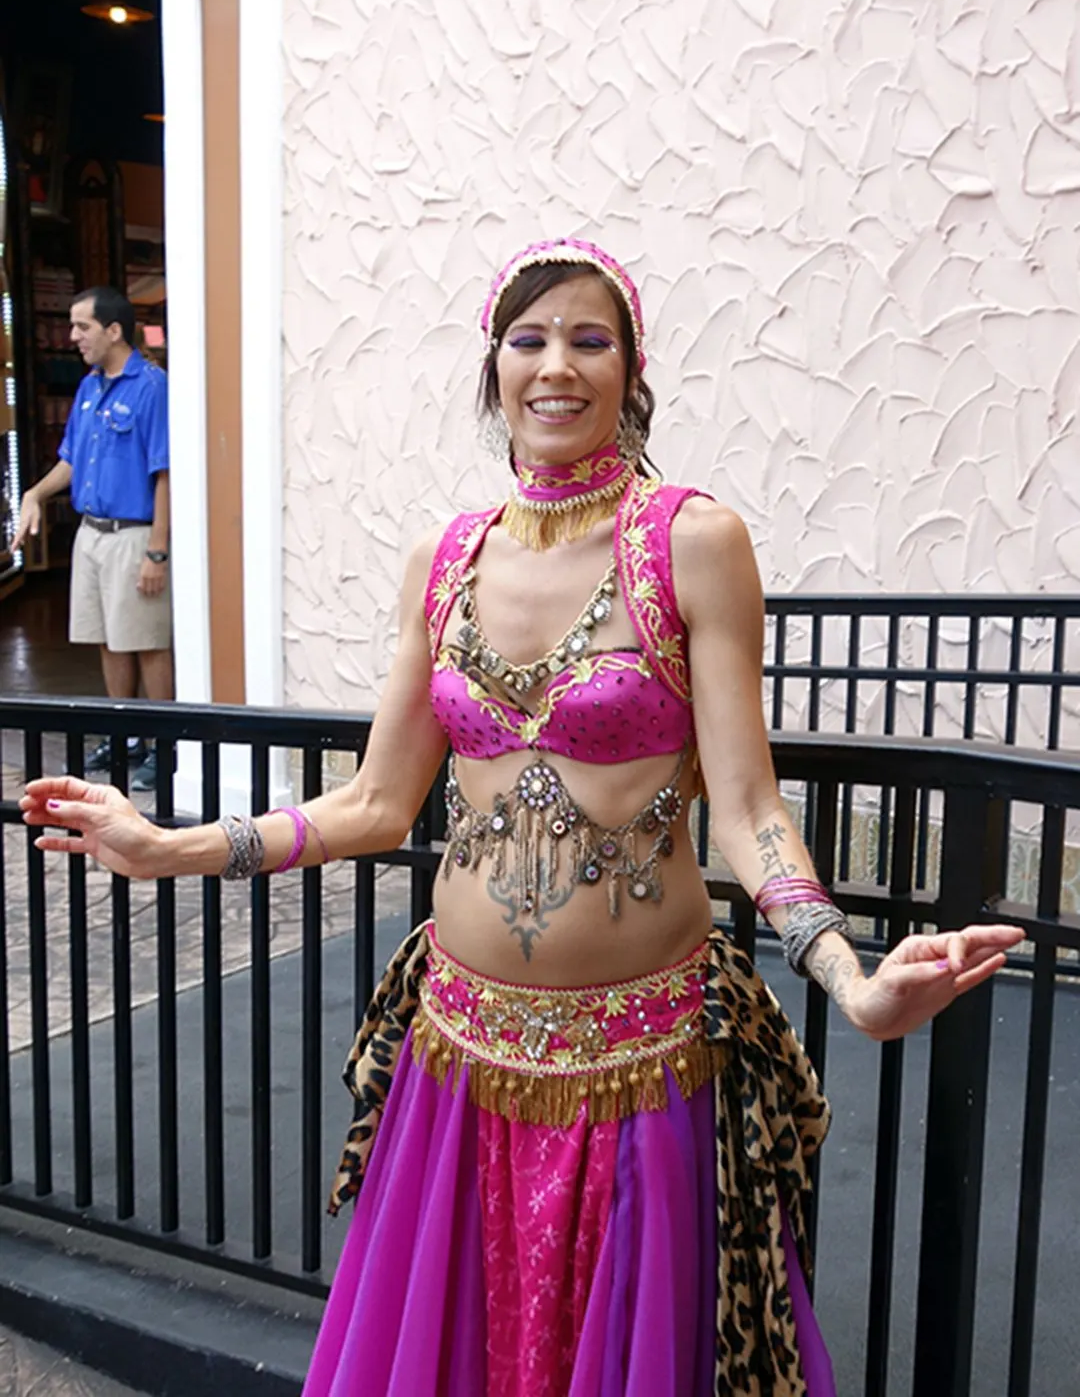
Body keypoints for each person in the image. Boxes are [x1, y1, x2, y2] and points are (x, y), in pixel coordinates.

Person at [21, 239, 1022, 1397]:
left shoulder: (690, 543)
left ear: (632, 372)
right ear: (493, 367)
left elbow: (748, 810)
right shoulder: (444, 560)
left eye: (590, 340)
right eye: (530, 338)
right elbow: (375, 802)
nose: (558, 366)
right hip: (459, 1063)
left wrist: (850, 981)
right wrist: (165, 848)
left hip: (643, 1069)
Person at [13, 285, 172, 791]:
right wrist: (34, 494)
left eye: (82, 326)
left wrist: (157, 552)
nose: (73, 335)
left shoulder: (150, 387)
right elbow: (72, 461)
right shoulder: (88, 388)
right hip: (91, 534)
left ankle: (164, 745)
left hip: (134, 536)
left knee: (146, 642)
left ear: (114, 330)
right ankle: (126, 735)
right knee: (108, 638)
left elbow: (165, 474)